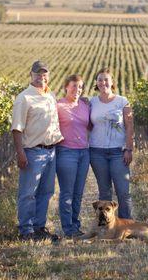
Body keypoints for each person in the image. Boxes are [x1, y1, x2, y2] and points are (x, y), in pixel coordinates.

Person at [11, 60, 63, 242]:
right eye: (38, 74)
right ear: (31, 75)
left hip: (51, 151)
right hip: (33, 151)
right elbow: (17, 128)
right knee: (28, 193)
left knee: (46, 192)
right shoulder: (24, 98)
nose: (42, 77)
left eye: (45, 74)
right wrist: (20, 153)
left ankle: (39, 227)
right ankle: (25, 230)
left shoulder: (50, 95)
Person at [88, 67, 134, 219]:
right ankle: (107, 225)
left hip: (118, 152)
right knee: (104, 192)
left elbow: (129, 127)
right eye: (100, 79)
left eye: (106, 79)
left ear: (112, 82)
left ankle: (126, 225)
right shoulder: (92, 102)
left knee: (123, 192)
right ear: (96, 83)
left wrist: (129, 149)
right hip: (96, 152)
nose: (103, 82)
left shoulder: (123, 101)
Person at [55, 74, 91, 238]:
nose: (77, 89)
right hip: (66, 152)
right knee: (67, 192)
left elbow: (90, 125)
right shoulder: (59, 105)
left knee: (78, 193)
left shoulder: (84, 105)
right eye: (74, 86)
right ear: (66, 87)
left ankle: (75, 225)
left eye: (80, 87)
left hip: (84, 152)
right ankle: (68, 228)